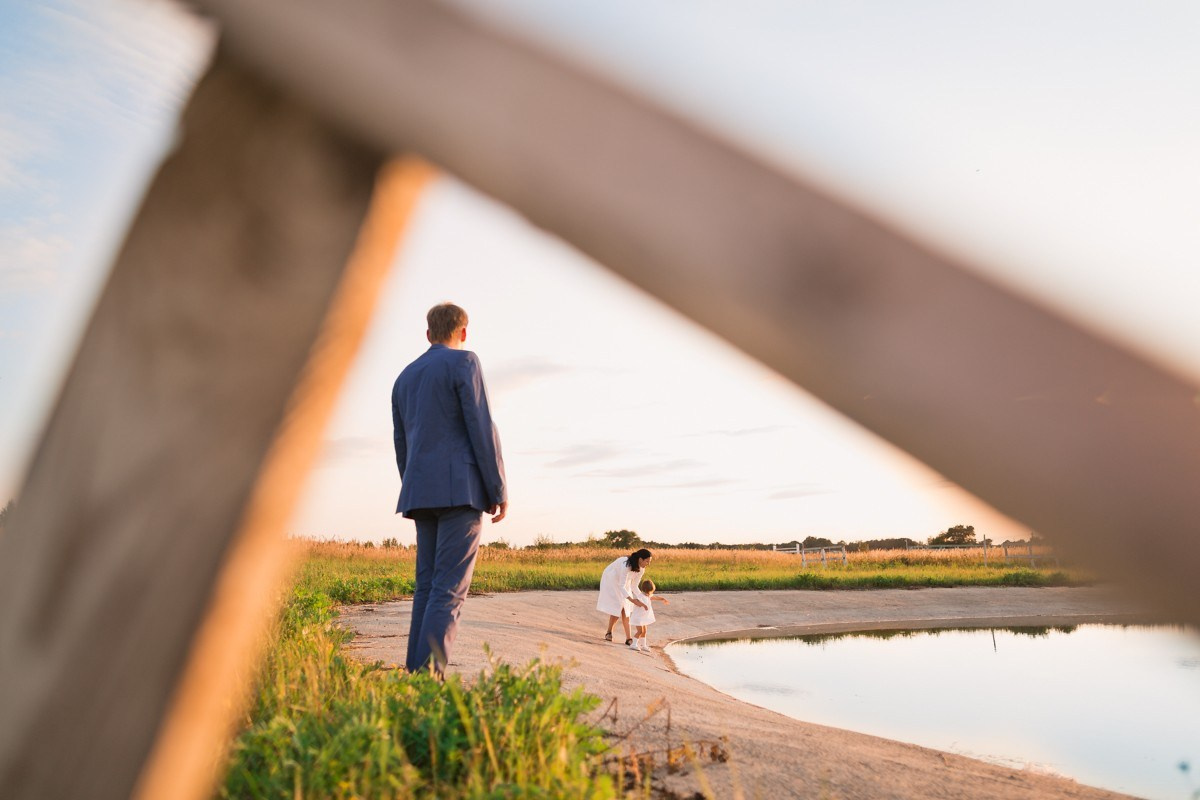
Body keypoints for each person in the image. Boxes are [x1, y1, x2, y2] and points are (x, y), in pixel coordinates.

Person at [392, 302, 507, 676]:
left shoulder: (404, 377)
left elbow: (401, 444)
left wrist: (413, 486)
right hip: (461, 492)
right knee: (449, 589)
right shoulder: (465, 362)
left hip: (419, 491)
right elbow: (481, 427)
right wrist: (497, 487)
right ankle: (428, 680)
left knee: (427, 586)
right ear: (464, 332)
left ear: (428, 334)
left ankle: (415, 676)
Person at [596, 548, 652, 645]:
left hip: (624, 583)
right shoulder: (626, 565)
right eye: (647, 561)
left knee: (625, 608)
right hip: (612, 578)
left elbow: (634, 586)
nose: (648, 564)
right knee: (620, 605)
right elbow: (621, 586)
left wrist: (643, 598)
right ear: (640, 559)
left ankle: (626, 638)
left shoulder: (642, 569)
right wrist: (632, 600)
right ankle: (616, 634)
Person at [628, 578, 669, 653]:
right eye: (650, 592)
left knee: (644, 631)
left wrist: (662, 598)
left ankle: (644, 645)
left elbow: (655, 597)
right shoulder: (640, 596)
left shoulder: (648, 595)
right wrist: (643, 605)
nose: (650, 594)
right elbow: (636, 601)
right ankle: (633, 644)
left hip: (643, 617)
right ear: (645, 591)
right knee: (640, 631)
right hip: (638, 617)